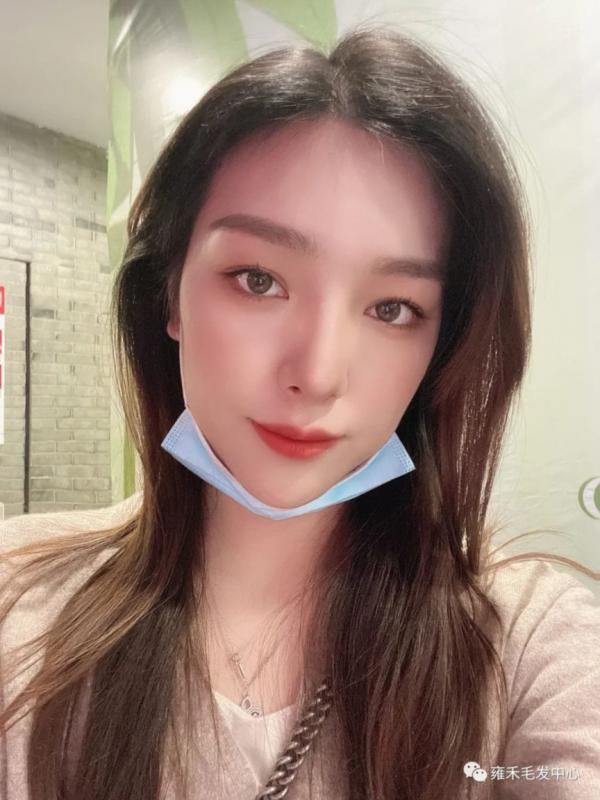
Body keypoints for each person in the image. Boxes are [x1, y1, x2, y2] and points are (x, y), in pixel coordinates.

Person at [1, 24, 599, 800]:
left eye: (392, 308)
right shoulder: (20, 603)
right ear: (171, 295)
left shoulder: (521, 640)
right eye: (259, 280)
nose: (316, 375)